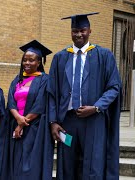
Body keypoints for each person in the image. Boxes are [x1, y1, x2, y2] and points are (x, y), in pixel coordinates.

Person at [48, 12, 122, 179]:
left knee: (92, 164)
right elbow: (52, 92)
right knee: (68, 164)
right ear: (71, 32)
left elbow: (114, 87)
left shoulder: (104, 56)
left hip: (94, 121)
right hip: (67, 122)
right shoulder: (60, 58)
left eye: (82, 30)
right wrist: (53, 122)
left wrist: (96, 107)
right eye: (75, 31)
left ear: (90, 31)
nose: (79, 34)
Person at [6, 40, 53, 180]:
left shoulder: (44, 80)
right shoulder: (17, 79)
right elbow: (10, 101)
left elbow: (40, 104)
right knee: (16, 164)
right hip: (15, 126)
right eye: (25, 60)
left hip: (34, 128)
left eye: (31, 60)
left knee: (30, 165)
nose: (27, 63)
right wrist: (17, 120)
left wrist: (22, 123)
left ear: (39, 62)